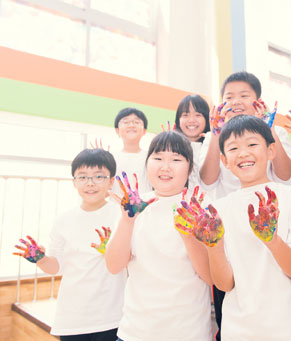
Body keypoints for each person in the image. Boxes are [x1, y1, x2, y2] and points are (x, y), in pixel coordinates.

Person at [182, 115, 291, 340]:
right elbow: (225, 284)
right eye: (234, 148)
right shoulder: (218, 210)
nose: (243, 153)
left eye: (252, 144)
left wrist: (271, 240)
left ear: (271, 151)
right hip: (239, 331)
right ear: (225, 161)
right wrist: (214, 245)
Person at [105, 131, 213, 340]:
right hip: (136, 331)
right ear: (147, 164)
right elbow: (114, 266)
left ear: (190, 168)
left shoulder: (200, 206)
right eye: (158, 158)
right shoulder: (134, 205)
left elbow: (210, 277)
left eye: (176, 159)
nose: (165, 166)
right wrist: (128, 220)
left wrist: (188, 235)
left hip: (187, 332)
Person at [13, 149, 126, 340]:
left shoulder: (121, 216)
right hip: (72, 320)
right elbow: (56, 267)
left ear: (111, 181)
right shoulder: (63, 221)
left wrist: (112, 249)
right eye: (82, 177)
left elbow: (129, 261)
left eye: (99, 176)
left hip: (113, 317)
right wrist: (40, 259)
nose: (90, 183)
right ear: (74, 182)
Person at [200, 71, 291, 199]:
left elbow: (286, 178)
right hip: (229, 212)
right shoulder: (213, 136)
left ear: (258, 100)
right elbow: (207, 184)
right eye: (229, 97)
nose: (236, 102)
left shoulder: (277, 131)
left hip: (270, 209)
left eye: (244, 96)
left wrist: (269, 130)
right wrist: (215, 135)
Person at [112, 107, 152, 195]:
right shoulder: (111, 157)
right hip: (117, 206)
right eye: (126, 122)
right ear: (117, 130)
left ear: (144, 130)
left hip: (146, 206)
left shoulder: (151, 157)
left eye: (136, 122)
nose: (131, 125)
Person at [174, 94, 211, 189]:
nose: (191, 120)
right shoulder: (172, 147)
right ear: (178, 120)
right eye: (185, 115)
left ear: (207, 119)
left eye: (198, 115)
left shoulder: (213, 146)